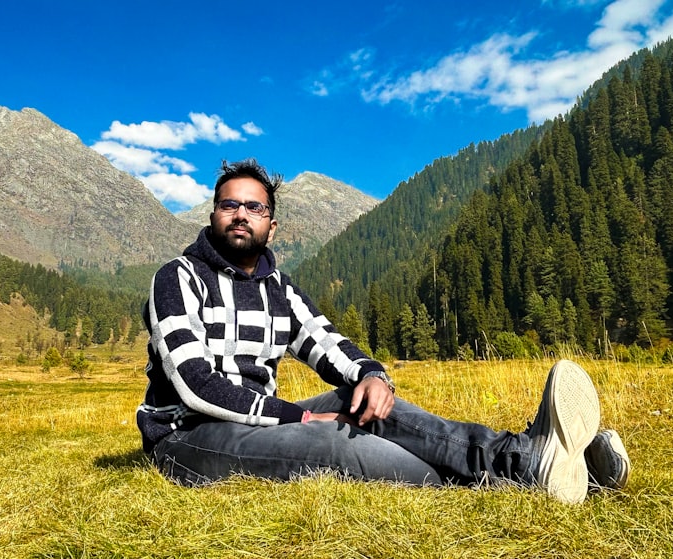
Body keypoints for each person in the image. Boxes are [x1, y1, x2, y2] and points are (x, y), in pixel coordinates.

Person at [136, 158, 630, 504]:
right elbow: (195, 383)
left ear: (272, 224)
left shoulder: (277, 288)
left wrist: (372, 375)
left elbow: (326, 341)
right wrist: (296, 419)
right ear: (214, 214)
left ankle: (530, 459)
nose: (241, 213)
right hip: (189, 437)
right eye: (230, 205)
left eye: (255, 207)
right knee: (334, 447)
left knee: (374, 405)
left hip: (262, 420)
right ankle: (546, 473)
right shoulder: (177, 277)